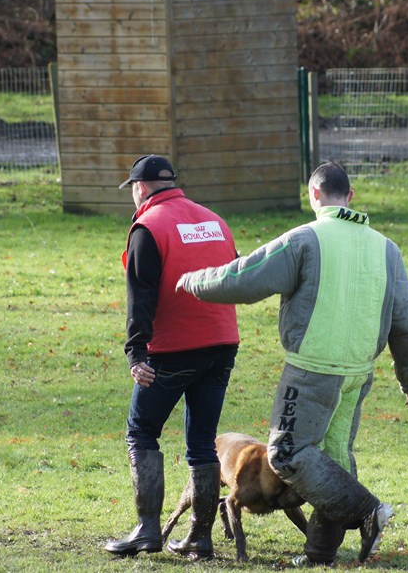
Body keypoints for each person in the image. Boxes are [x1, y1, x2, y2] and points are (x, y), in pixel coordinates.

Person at [176, 161, 408, 566]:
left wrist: (194, 281)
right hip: (358, 373)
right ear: (351, 197)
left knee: (287, 453)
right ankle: (320, 553)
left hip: (312, 370)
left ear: (313, 194)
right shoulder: (387, 249)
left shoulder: (306, 239)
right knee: (335, 459)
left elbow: (246, 276)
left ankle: (368, 511)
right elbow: (406, 322)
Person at [104, 155, 239, 561]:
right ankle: (199, 537)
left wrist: (136, 351)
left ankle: (147, 529)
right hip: (221, 343)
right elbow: (235, 271)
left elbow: (141, 294)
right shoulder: (214, 220)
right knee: (201, 442)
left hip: (172, 348)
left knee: (142, 431)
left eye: (132, 188)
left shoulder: (149, 226)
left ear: (140, 187)